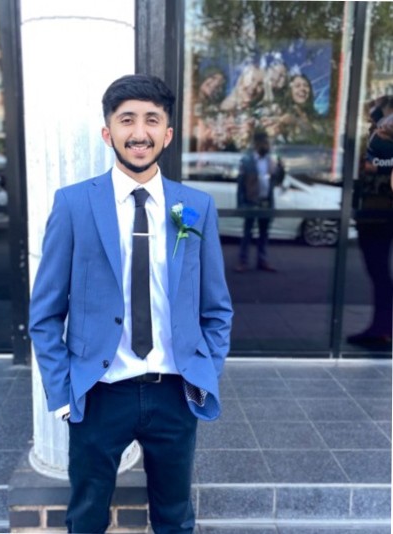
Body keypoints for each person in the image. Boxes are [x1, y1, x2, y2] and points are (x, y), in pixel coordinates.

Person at [29, 74, 233, 534]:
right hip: (100, 391)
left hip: (174, 390)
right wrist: (62, 392)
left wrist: (206, 367)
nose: (139, 132)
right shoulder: (74, 204)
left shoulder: (196, 206)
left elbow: (216, 306)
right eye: (127, 120)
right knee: (86, 517)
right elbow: (45, 313)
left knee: (175, 517)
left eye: (151, 120)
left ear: (168, 134)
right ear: (108, 132)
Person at [347, 110, 393, 349]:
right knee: (379, 274)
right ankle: (381, 327)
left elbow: (373, 170)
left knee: (380, 274)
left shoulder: (382, 145)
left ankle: (382, 328)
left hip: (379, 216)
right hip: (371, 215)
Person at [234, 130, 285, 273]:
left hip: (266, 201)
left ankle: (262, 260)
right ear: (257, 144)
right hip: (251, 201)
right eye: (264, 143)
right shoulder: (247, 161)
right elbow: (241, 184)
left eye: (268, 143)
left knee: (264, 232)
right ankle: (243, 261)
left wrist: (281, 169)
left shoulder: (270, 161)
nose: (267, 146)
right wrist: (240, 204)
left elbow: (278, 180)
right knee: (247, 232)